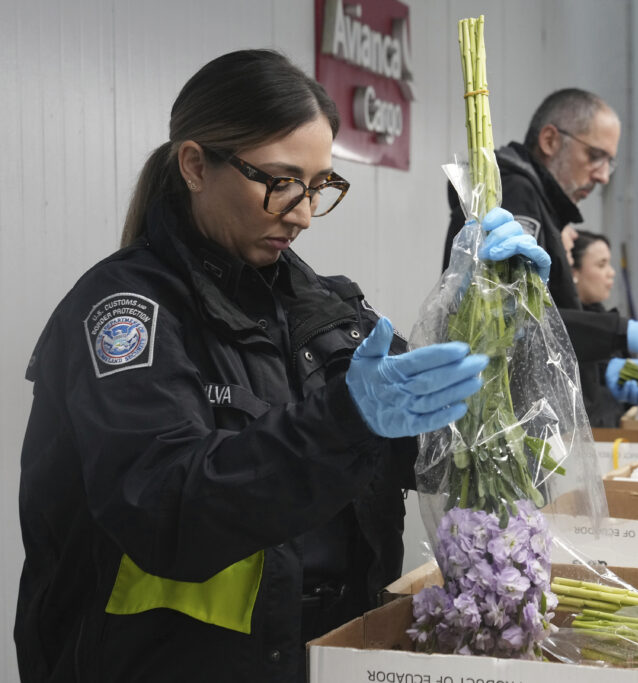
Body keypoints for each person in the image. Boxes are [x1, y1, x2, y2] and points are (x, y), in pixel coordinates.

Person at [15, 49, 550, 683]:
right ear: (194, 165)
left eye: (320, 185)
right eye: (280, 180)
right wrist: (343, 421)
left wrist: (499, 321)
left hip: (325, 656)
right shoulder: (129, 314)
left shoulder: (329, 309)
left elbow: (449, 451)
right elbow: (166, 510)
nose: (300, 212)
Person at [441, 88, 638, 427]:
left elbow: (543, 321)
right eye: (595, 156)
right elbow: (512, 319)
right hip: (504, 429)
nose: (604, 176)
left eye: (610, 162)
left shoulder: (535, 198)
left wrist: (602, 370)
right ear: (550, 140)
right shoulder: (515, 193)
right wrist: (622, 333)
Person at [570, 231, 638, 426]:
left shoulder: (604, 317)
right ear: (574, 271)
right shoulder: (569, 332)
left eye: (609, 264)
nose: (611, 272)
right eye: (601, 265)